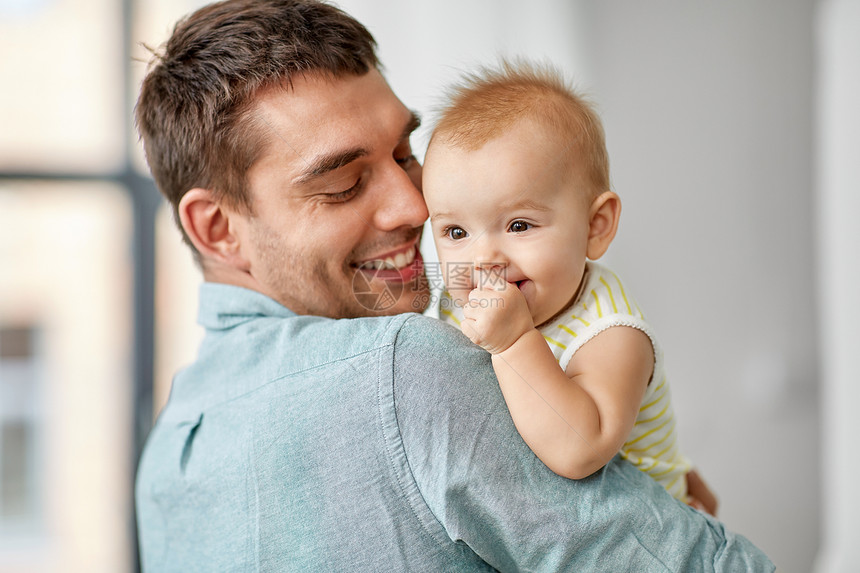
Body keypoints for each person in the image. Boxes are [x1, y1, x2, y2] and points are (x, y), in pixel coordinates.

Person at [134, 0, 774, 570]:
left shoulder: (166, 457)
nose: (417, 208)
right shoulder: (410, 367)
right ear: (216, 228)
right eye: (343, 185)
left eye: (406, 154)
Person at [422, 61, 710, 510]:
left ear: (595, 226)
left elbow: (579, 450)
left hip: (642, 532)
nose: (482, 260)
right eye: (456, 233)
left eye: (518, 225)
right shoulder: (455, 294)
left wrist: (516, 342)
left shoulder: (612, 333)